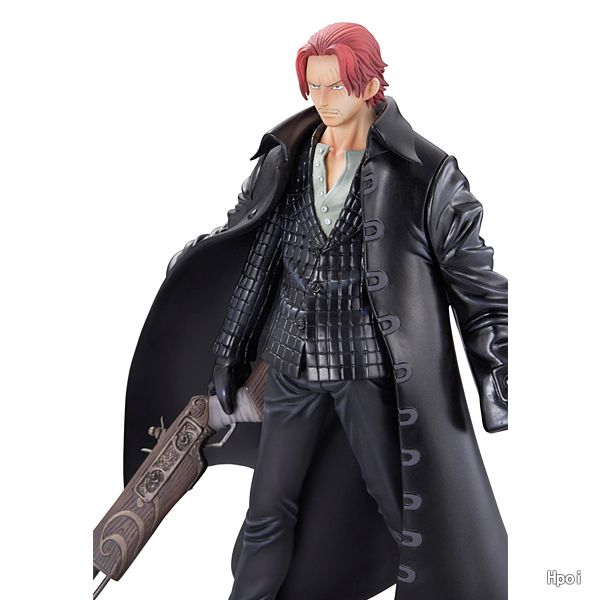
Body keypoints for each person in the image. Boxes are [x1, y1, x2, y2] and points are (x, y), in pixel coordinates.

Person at [124, 22, 508, 600]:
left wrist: (497, 372)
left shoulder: (424, 173)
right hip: (288, 366)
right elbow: (262, 265)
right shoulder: (292, 159)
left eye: (336, 86)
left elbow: (479, 285)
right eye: (315, 86)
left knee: (405, 510)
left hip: (362, 367)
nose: (323, 100)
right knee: (267, 508)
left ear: (371, 84)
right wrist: (228, 354)